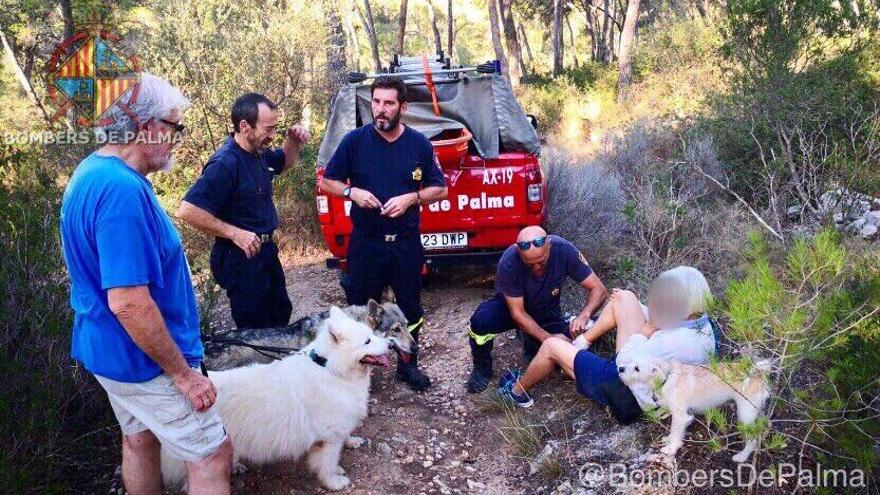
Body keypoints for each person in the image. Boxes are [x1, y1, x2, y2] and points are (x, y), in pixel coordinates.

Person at [60, 73, 232, 494]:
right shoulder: (120, 190)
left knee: (139, 439)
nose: (178, 138)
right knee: (211, 454)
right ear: (147, 125)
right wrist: (184, 375)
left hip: (108, 354)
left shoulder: (90, 171)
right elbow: (128, 303)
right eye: (175, 126)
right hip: (144, 361)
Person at [319, 75, 448, 392]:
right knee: (360, 309)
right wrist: (353, 193)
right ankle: (357, 369)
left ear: (402, 107)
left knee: (411, 309)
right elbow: (327, 181)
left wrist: (412, 198)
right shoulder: (355, 141)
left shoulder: (418, 143)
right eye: (376, 102)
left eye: (389, 103)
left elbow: (440, 189)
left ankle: (408, 368)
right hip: (367, 243)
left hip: (405, 244)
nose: (381, 109)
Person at [497, 266, 717, 409]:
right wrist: (636, 310)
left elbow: (623, 363)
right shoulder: (700, 324)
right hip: (651, 376)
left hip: (626, 390)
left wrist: (648, 327)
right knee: (623, 298)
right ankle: (579, 344)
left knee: (552, 344)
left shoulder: (671, 343)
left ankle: (517, 392)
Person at [177, 93, 310, 329]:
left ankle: (276, 365)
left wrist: (293, 140)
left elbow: (286, 162)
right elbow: (188, 210)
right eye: (268, 129)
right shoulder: (225, 164)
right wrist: (235, 233)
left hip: (266, 251)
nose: (272, 135)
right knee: (255, 330)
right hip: (240, 258)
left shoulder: (259, 153)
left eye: (275, 128)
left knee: (280, 315)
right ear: (245, 126)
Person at [465, 226, 608, 393]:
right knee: (481, 321)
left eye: (542, 260)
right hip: (512, 307)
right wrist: (548, 339)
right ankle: (482, 368)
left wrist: (584, 315)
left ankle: (531, 342)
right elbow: (518, 314)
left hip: (545, 308)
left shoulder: (563, 249)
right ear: (519, 252)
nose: (537, 267)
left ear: (549, 245)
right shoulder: (509, 261)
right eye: (530, 263)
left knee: (569, 346)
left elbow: (599, 289)